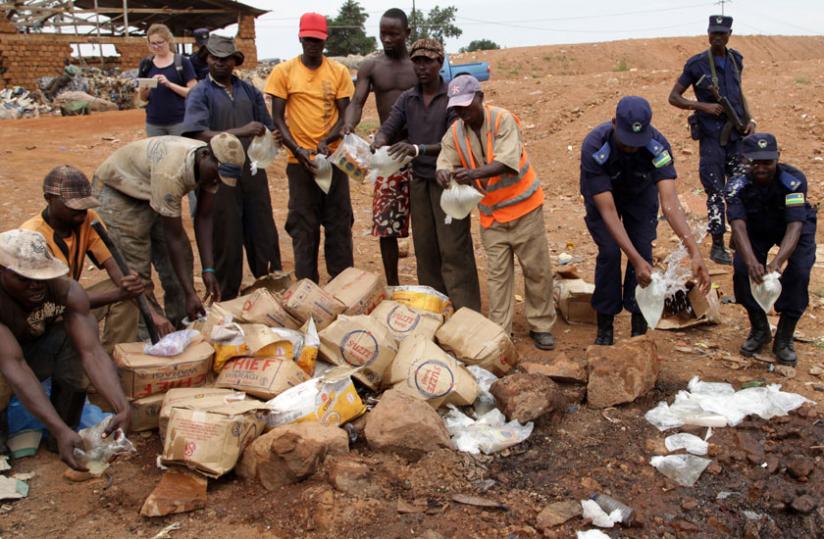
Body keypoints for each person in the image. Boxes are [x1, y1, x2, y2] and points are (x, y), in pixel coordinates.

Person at [580, 96, 711, 345]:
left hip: (640, 195)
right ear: (614, 123)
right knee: (609, 252)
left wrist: (695, 251)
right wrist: (636, 260)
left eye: (637, 143)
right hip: (603, 197)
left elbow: (670, 205)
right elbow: (607, 210)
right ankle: (605, 326)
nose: (632, 148)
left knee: (642, 250)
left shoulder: (658, 148)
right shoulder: (595, 146)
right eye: (627, 142)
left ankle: (638, 327)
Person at [436, 75, 554, 349]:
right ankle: (501, 332)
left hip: (525, 208)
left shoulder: (502, 120)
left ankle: (541, 324)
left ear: (480, 97)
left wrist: (473, 174)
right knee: (498, 277)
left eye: (466, 105)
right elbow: (445, 157)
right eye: (457, 108)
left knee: (536, 271)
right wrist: (442, 172)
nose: (463, 112)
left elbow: (507, 161)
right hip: (492, 216)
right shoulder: (455, 132)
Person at [0, 229, 131, 470]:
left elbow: (90, 351)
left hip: (32, 349)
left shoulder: (65, 290)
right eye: (24, 278)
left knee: (72, 338)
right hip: (7, 360)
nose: (35, 285)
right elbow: (14, 366)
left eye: (41, 276)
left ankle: (65, 429)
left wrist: (121, 406)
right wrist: (56, 428)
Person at [91, 134, 245, 325]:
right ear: (206, 154)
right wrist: (190, 293)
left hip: (151, 189)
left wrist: (208, 268)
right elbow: (173, 236)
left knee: (182, 262)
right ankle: (146, 336)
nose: (217, 181)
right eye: (216, 176)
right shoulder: (172, 172)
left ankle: (183, 324)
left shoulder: (212, 166)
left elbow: (204, 217)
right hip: (119, 190)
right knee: (136, 274)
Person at [372, 40, 481, 310]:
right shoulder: (408, 98)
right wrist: (379, 140)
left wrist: (417, 148)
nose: (421, 67)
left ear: (439, 62)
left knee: (454, 248)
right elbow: (390, 126)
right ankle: (434, 308)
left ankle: (466, 310)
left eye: (428, 61)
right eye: (417, 61)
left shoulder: (451, 96)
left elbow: (452, 141)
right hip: (419, 181)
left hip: (448, 181)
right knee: (425, 248)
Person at [20, 166, 173, 352]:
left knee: (127, 286)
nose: (83, 212)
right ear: (49, 199)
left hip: (69, 301)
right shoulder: (32, 236)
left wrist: (152, 315)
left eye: (85, 205)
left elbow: (117, 270)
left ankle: (114, 358)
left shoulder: (87, 220)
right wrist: (120, 294)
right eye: (74, 206)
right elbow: (58, 299)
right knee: (121, 294)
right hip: (43, 314)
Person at [183, 35, 282, 301]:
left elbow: (266, 123)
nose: (219, 63)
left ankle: (269, 294)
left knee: (262, 232)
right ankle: (227, 302)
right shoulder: (200, 93)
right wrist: (241, 131)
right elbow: (194, 133)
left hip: (252, 171)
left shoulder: (248, 90)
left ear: (235, 61)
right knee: (226, 238)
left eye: (225, 58)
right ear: (207, 59)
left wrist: (275, 135)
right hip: (218, 174)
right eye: (214, 57)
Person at [266, 12, 355, 283]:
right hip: (299, 164)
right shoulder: (284, 72)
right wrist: (297, 150)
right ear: (300, 38)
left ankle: (342, 285)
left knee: (339, 224)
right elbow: (278, 118)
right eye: (308, 39)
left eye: (318, 40)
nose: (313, 45)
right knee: (304, 228)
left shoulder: (338, 71)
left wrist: (327, 140)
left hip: (334, 161)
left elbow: (345, 115)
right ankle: (307, 289)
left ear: (325, 40)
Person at [668, 15, 756, 265]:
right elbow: (674, 97)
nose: (718, 37)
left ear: (730, 34)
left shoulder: (735, 59)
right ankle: (717, 244)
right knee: (715, 190)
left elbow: (739, 93)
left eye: (722, 33)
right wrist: (702, 106)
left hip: (737, 135)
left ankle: (736, 236)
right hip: (712, 138)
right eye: (713, 33)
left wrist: (749, 121)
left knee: (740, 186)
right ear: (707, 33)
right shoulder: (696, 64)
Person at [725, 133, 816, 366]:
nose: (762, 168)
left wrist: (777, 262)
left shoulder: (793, 180)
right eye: (755, 162)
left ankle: (784, 337)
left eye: (768, 162)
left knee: (799, 272)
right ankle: (759, 328)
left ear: (777, 159)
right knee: (743, 270)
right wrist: (751, 261)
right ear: (745, 160)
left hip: (790, 226)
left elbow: (795, 226)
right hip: (755, 226)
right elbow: (738, 225)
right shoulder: (736, 185)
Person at [342, 8, 417, 286]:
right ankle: (394, 284)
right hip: (387, 156)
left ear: (407, 34)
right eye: (383, 33)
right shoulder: (371, 67)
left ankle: (428, 283)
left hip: (415, 151)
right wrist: (349, 125)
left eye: (394, 34)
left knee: (423, 225)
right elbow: (357, 102)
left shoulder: (417, 66)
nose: (387, 39)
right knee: (386, 225)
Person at [137, 23, 197, 137]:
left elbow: (193, 93)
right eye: (153, 43)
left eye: (160, 42)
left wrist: (169, 84)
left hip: (179, 121)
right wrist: (146, 88)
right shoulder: (146, 64)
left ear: (168, 41)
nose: (156, 46)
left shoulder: (182, 62)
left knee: (179, 154)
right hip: (154, 123)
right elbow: (143, 98)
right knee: (156, 154)